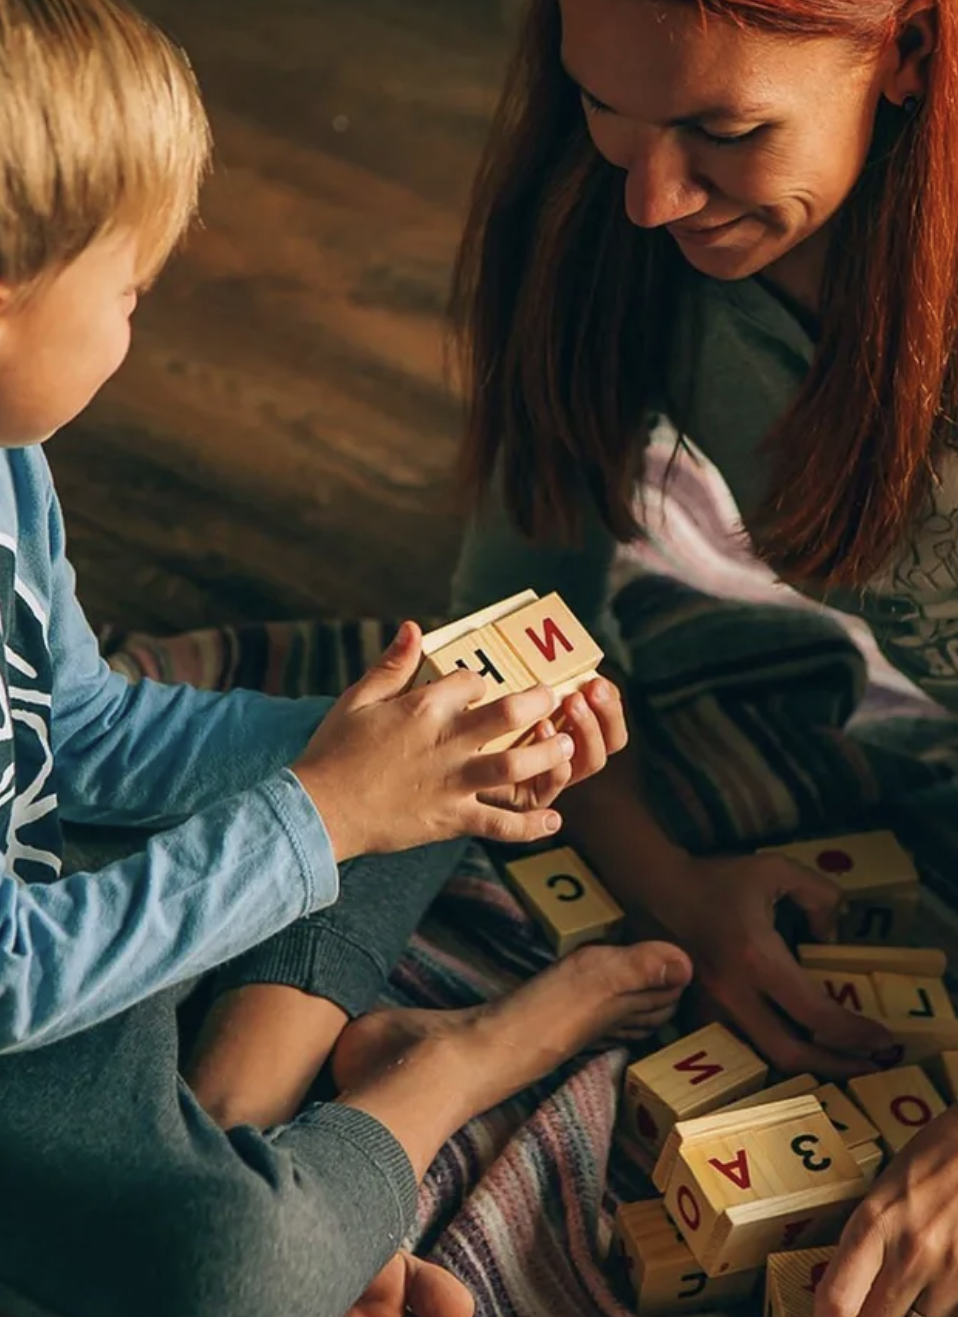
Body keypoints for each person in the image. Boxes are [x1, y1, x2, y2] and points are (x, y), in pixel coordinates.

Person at [0, 3, 694, 1316]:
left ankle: (238, 1116)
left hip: (92, 922)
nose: (136, 322)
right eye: (129, 289)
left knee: (442, 749)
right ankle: (431, 1084)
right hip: (29, 1034)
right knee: (231, 1274)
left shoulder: (6, 463)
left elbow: (75, 726)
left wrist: (373, 756)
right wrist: (318, 814)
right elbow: (18, 976)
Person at [448, 0, 958, 1314]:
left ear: (912, 52)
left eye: (726, 129)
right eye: (606, 108)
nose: (650, 196)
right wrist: (667, 886)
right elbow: (519, 622)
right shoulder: (608, 220)